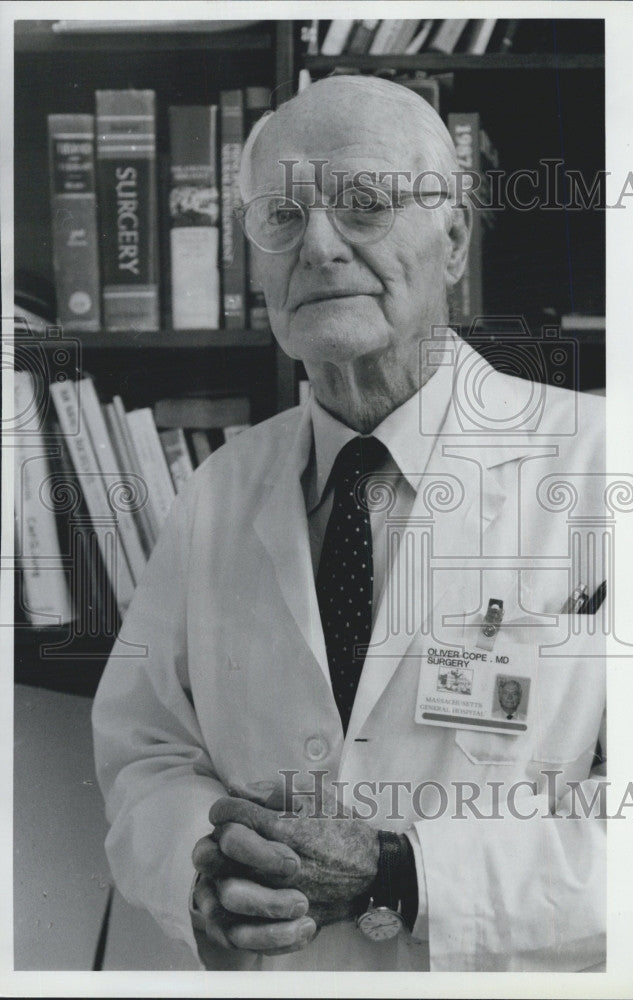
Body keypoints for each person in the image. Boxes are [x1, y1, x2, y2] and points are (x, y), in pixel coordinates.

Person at [92, 75, 607, 972]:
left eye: (364, 203)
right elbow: (146, 754)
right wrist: (202, 873)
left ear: (452, 238)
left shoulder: (609, 463)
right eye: (281, 217)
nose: (319, 246)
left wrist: (398, 879)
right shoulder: (216, 492)